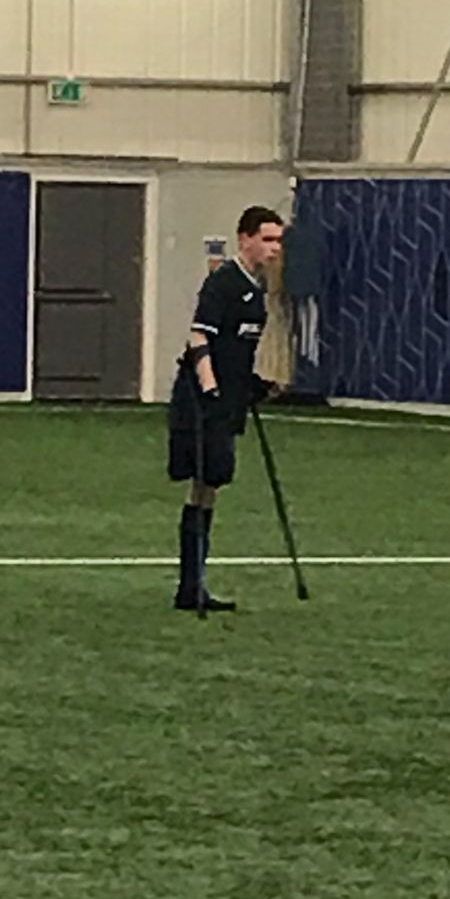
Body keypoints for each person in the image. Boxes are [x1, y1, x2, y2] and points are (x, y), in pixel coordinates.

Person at [168, 207, 283, 614]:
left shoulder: (258, 291)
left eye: (278, 241)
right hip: (202, 399)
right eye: (267, 239)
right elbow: (199, 337)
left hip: (228, 398)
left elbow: (237, 350)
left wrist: (252, 386)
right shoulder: (223, 283)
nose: (274, 248)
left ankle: (192, 584)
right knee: (204, 480)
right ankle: (190, 585)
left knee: (211, 485)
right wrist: (211, 387)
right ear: (245, 238)